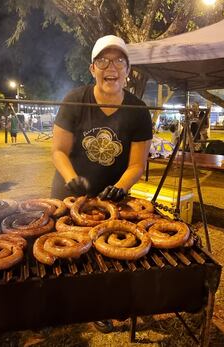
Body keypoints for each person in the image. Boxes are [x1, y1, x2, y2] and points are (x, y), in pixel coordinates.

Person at [51, 35, 152, 331]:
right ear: (92, 68)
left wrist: (120, 187)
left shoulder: (138, 110)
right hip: (70, 193)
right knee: (71, 252)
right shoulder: (75, 100)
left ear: (128, 70)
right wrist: (72, 180)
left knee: (104, 254)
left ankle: (99, 304)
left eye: (120, 61)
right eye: (104, 61)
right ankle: (63, 302)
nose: (112, 67)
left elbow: (137, 164)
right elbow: (58, 150)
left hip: (110, 197)